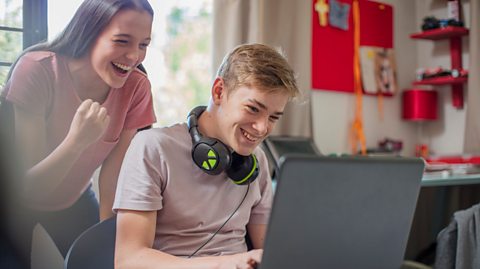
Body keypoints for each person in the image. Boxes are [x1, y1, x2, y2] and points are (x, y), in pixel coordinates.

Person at [113, 43, 299, 269]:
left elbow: (270, 252)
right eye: (253, 109)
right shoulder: (153, 147)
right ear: (219, 91)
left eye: (273, 117)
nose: (262, 128)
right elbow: (129, 260)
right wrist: (228, 263)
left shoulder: (256, 160)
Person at [0, 0, 156, 266]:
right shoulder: (37, 69)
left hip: (73, 199)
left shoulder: (136, 88)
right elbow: (29, 189)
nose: (134, 57)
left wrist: (108, 244)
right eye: (122, 41)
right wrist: (77, 141)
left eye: (143, 45)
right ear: (89, 33)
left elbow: (112, 176)